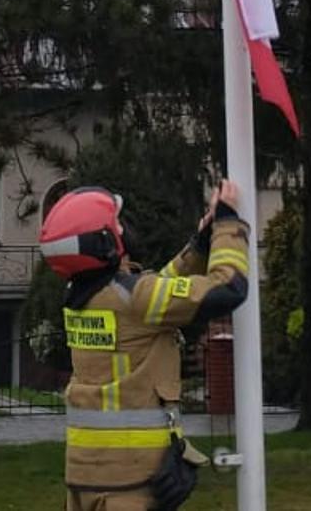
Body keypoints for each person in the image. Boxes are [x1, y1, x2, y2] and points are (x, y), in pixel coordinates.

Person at [42, 180, 252, 511]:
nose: (124, 228)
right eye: (118, 223)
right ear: (105, 241)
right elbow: (228, 288)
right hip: (130, 486)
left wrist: (199, 244)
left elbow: (157, 289)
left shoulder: (87, 296)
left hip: (89, 479)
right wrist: (229, 225)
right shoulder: (135, 299)